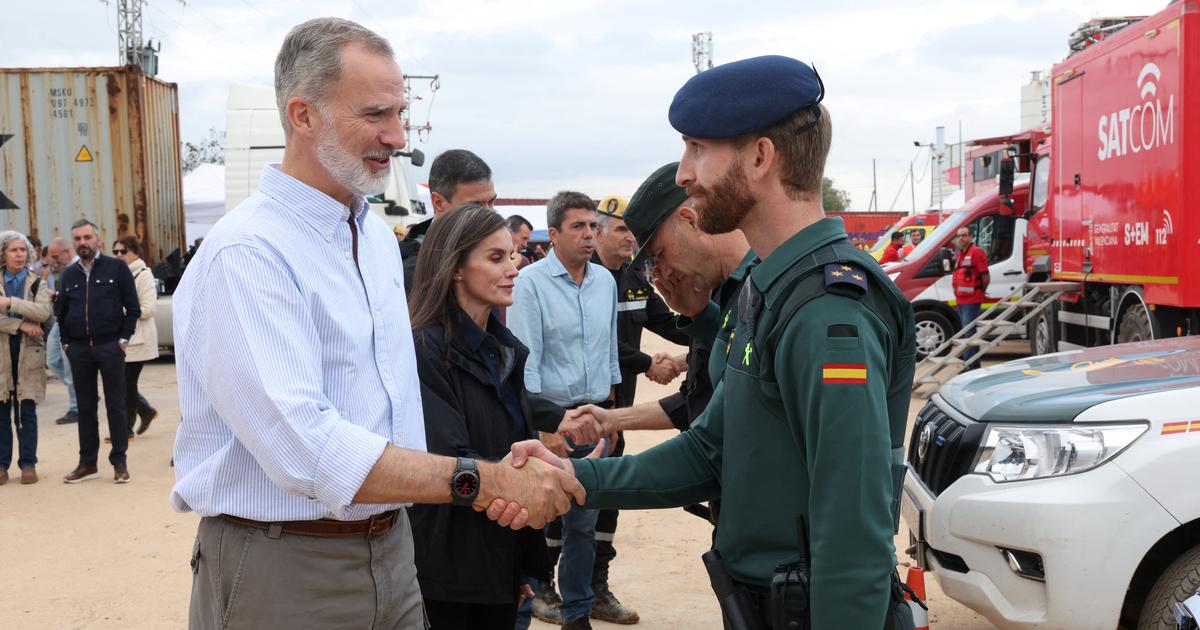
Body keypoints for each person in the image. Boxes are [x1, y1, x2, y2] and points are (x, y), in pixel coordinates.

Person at [170, 18, 583, 629]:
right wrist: (480, 478)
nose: (398, 137)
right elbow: (308, 450)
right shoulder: (249, 254)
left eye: (401, 114)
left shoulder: (372, 237)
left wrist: (505, 450)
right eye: (376, 114)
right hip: (288, 565)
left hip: (394, 547)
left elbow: (395, 406)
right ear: (303, 115)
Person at [504, 55, 917, 629]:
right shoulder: (767, 291)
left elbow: (854, 525)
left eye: (698, 147)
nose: (683, 173)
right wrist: (576, 477)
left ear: (760, 157)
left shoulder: (827, 311)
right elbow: (709, 450)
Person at [408, 204, 572, 629]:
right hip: (446, 571)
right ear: (456, 267)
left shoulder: (505, 351)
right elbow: (447, 461)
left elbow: (515, 452)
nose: (513, 268)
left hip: (499, 559)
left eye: (511, 255)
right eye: (496, 258)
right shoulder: (424, 351)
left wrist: (518, 562)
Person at [571, 162, 753, 439]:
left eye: (660, 253)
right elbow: (694, 403)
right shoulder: (716, 290)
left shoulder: (756, 292)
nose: (661, 271)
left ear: (691, 221)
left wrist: (697, 321)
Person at [507, 191, 621, 630]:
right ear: (552, 234)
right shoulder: (530, 283)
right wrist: (543, 427)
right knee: (534, 521)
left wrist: (609, 411)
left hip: (592, 417)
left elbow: (608, 349)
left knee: (583, 527)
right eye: (578, 226)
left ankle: (577, 614)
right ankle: (524, 611)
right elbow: (525, 360)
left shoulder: (605, 281)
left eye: (593, 226)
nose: (589, 235)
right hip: (550, 419)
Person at [586, 193, 695, 626]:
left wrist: (711, 333)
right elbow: (600, 344)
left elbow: (666, 322)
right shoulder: (585, 279)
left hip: (619, 411)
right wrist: (650, 363)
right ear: (597, 233)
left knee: (607, 498)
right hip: (584, 410)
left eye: (633, 231)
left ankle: (596, 586)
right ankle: (544, 584)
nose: (631, 238)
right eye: (621, 231)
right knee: (568, 496)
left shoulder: (632, 278)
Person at [57, 219, 140, 484]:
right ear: (74, 243)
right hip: (79, 350)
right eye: (78, 239)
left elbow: (133, 307)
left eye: (87, 237)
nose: (83, 243)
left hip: (110, 347)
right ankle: (87, 463)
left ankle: (119, 462)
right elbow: (61, 313)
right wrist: (67, 343)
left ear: (98, 238)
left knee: (116, 406)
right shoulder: (68, 275)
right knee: (85, 408)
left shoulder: (117, 268)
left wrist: (123, 339)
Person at [399, 149, 497, 291]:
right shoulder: (410, 271)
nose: (489, 213)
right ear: (438, 202)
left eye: (491, 202)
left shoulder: (489, 252)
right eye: (475, 206)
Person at [0, 231, 53, 485]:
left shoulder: (37, 282)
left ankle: (28, 464)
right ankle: (1, 465)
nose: (20, 254)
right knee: (0, 412)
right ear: (3, 253)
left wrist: (10, 301)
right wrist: (20, 325)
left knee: (26, 411)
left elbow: (43, 312)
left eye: (23, 250)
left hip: (29, 353)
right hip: (2, 353)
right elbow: (30, 317)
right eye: (14, 250)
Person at [112, 236, 159, 437]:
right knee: (122, 384)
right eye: (115, 252)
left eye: (123, 251)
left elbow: (148, 309)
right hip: (121, 338)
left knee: (126, 384)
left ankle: (126, 428)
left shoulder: (143, 274)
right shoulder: (116, 274)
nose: (119, 255)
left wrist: (118, 310)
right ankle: (145, 411)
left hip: (138, 339)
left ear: (136, 253)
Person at [44, 237, 79, 425]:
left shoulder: (77, 269)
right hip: (60, 321)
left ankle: (76, 408)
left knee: (69, 368)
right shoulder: (64, 271)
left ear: (67, 252)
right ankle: (83, 392)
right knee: (52, 360)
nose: (53, 261)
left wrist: (55, 295)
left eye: (55, 256)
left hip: (69, 323)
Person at [952, 226, 989, 370]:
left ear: (971, 237)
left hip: (972, 300)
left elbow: (985, 276)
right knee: (967, 333)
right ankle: (972, 364)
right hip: (961, 300)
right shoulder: (960, 253)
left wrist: (980, 292)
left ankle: (971, 365)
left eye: (964, 235)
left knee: (970, 334)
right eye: (959, 236)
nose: (960, 238)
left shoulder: (977, 252)